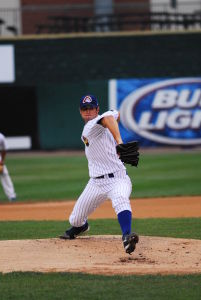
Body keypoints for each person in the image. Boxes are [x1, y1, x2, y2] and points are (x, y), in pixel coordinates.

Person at [60, 94, 139, 254]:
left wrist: (119, 142)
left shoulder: (102, 119)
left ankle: (126, 237)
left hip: (118, 178)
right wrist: (118, 140)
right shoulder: (91, 127)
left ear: (97, 109)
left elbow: (110, 116)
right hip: (95, 183)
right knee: (74, 219)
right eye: (84, 109)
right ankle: (81, 227)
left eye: (91, 108)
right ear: (80, 111)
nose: (88, 111)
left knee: (121, 200)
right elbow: (111, 117)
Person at [0, 132, 17, 202]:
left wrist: (2, 161)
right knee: (5, 177)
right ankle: (12, 196)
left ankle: (12, 196)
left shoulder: (1, 136)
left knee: (5, 176)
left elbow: (4, 149)